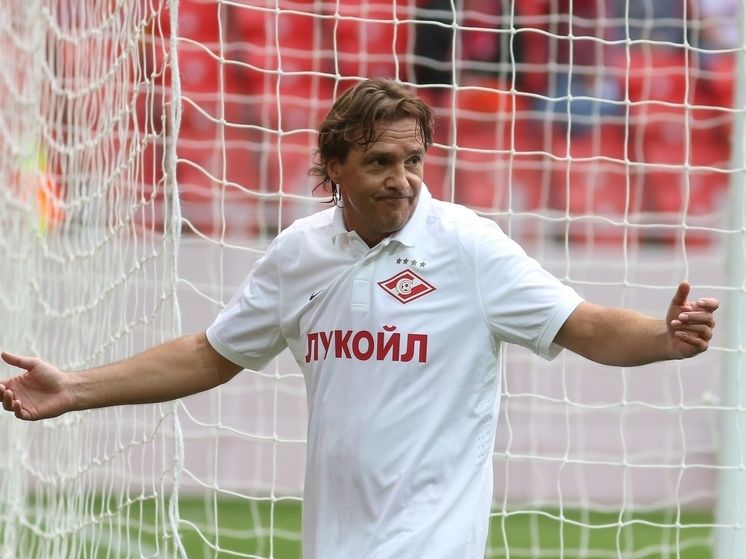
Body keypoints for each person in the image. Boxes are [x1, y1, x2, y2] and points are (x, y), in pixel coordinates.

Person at [0, 78, 718, 559]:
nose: (403, 181)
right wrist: (76, 388)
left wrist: (663, 337)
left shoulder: (468, 248)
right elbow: (210, 353)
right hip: (335, 540)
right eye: (380, 162)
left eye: (414, 160)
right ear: (334, 166)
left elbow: (583, 324)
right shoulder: (300, 253)